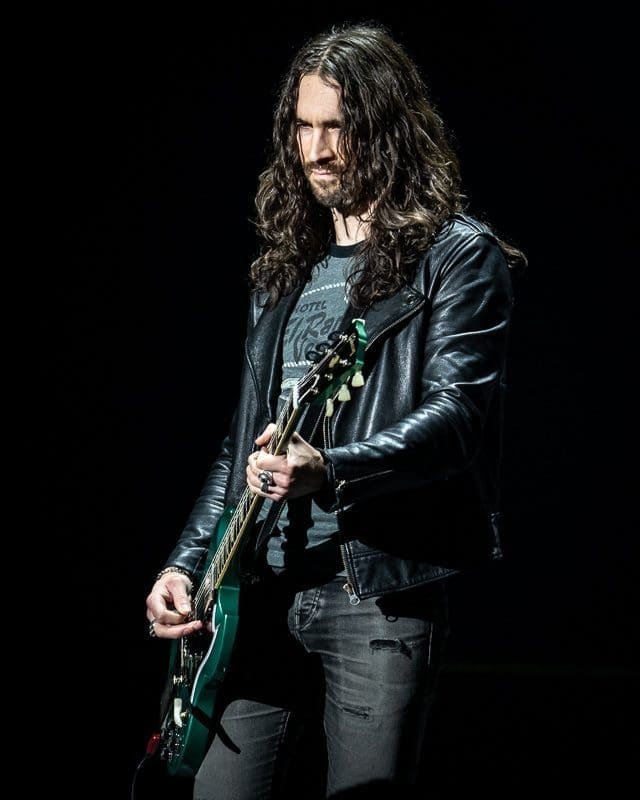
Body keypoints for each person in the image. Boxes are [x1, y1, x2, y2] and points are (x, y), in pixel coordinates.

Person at [143, 20, 526, 800]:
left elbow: (457, 418)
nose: (315, 151)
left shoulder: (457, 258)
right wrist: (185, 565)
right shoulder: (286, 270)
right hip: (255, 592)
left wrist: (332, 468)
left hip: (373, 594)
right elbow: (242, 446)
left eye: (337, 127)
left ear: (387, 129)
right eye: (302, 126)